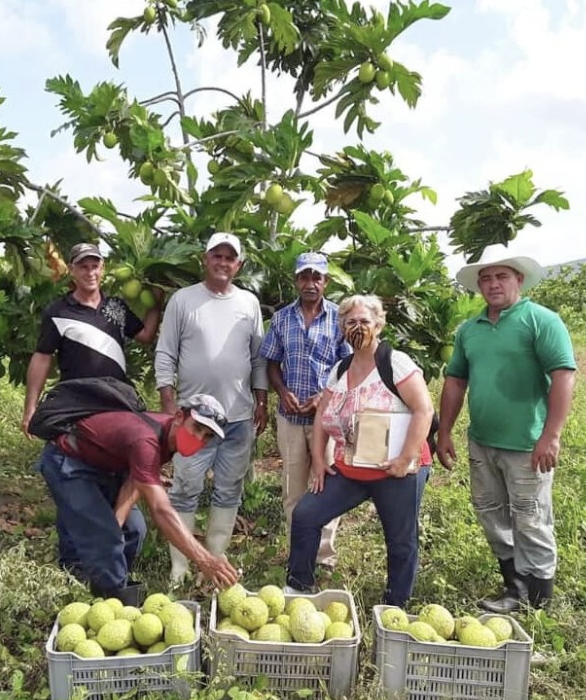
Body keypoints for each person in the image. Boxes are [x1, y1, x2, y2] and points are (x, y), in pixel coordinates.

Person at [436, 246, 577, 611]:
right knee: (490, 512)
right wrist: (445, 431)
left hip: (526, 444)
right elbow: (455, 381)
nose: (493, 284)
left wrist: (551, 436)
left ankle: (539, 599)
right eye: (486, 278)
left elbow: (563, 376)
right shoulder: (471, 330)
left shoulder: (542, 321)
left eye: (501, 276)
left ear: (519, 279)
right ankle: (515, 587)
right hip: (482, 441)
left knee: (530, 517)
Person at [22, 242, 163, 573]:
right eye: (83, 266)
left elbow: (144, 335)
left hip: (116, 405)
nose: (90, 272)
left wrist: (157, 303)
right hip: (76, 407)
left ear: (103, 269)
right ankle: (72, 563)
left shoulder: (115, 307)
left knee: (113, 470)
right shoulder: (58, 312)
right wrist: (31, 408)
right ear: (72, 270)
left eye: (95, 266)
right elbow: (42, 357)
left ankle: (116, 546)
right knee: (72, 478)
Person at [286, 294, 435, 607]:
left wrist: (407, 457)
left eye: (364, 321)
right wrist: (317, 459)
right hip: (352, 469)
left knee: (400, 540)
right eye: (350, 322)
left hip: (396, 470)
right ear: (342, 328)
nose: (357, 327)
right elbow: (321, 415)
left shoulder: (395, 362)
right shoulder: (340, 369)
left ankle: (395, 606)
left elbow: (424, 409)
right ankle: (298, 588)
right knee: (306, 515)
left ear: (378, 324)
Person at [38, 394, 239, 601]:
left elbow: (136, 479)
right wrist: (204, 560)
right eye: (197, 428)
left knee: (133, 530)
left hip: (104, 468)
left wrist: (117, 521)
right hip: (68, 461)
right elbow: (161, 510)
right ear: (179, 417)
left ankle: (107, 583)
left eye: (207, 436)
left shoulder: (167, 438)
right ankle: (101, 593)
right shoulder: (146, 439)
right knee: (105, 540)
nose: (199, 439)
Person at [154, 232, 269, 583]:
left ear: (239, 265)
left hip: (237, 418)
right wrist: (169, 399)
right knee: (185, 490)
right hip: (193, 421)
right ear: (204, 260)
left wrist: (261, 398)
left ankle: (215, 560)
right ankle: (182, 566)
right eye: (216, 256)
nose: (222, 262)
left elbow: (258, 356)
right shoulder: (183, 300)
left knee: (228, 488)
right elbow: (165, 351)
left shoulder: (248, 303)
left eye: (229, 258)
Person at [260, 252, 352, 570]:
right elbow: (271, 362)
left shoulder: (340, 318)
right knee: (293, 486)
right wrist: (282, 392)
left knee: (325, 485)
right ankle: (299, 553)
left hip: (326, 418)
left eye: (317, 277)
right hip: (290, 417)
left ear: (326, 281)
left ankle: (324, 558)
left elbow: (349, 366)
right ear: (296, 281)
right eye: (304, 277)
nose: (310, 283)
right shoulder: (283, 318)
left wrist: (323, 398)